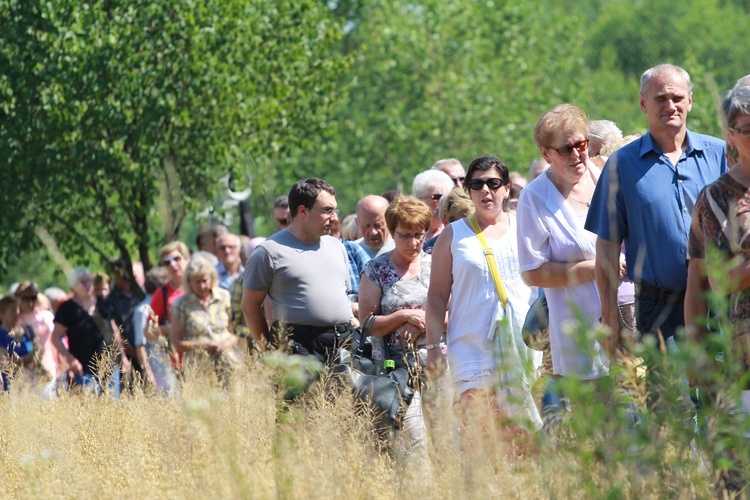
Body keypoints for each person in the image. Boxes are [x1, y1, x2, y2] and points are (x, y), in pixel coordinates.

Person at [585, 64, 728, 352]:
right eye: (660, 98)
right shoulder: (622, 165)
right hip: (661, 306)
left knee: (723, 393)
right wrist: (610, 316)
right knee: (669, 395)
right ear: (643, 103)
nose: (671, 106)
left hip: (719, 302)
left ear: (690, 101)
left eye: (677, 98)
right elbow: (607, 246)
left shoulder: (720, 154)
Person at [426, 155, 542, 436]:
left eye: (493, 183)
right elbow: (437, 296)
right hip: (471, 345)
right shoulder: (453, 236)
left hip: (524, 343)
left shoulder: (526, 226)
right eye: (477, 184)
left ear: (506, 189)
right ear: (468, 190)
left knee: (524, 434)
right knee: (481, 433)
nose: (485, 191)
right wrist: (432, 348)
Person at [516, 104, 610, 396]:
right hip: (581, 333)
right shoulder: (534, 198)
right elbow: (533, 273)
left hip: (631, 322)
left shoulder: (606, 176)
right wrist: (594, 269)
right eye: (566, 149)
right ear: (546, 154)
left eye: (581, 144)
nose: (577, 154)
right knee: (601, 433)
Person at [685, 82, 750, 416]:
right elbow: (714, 281)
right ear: (730, 135)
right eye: (748, 129)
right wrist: (696, 347)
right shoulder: (717, 198)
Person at [242, 178, 355, 364]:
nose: (335, 218)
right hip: (298, 347)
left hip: (342, 344)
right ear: (303, 211)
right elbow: (249, 306)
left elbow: (343, 295)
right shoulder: (268, 252)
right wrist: (270, 352)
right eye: (327, 210)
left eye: (335, 210)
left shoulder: (337, 246)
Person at [359, 196, 433, 451]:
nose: (413, 243)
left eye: (419, 235)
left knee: (447, 438)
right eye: (405, 235)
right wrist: (403, 317)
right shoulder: (376, 269)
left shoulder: (437, 265)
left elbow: (454, 313)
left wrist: (421, 322)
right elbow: (367, 323)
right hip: (395, 372)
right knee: (415, 446)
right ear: (392, 232)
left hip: (438, 364)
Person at [170, 257, 241, 385]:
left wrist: (225, 344)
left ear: (212, 278)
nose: (202, 286)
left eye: (205, 281)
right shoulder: (181, 304)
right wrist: (204, 346)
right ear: (189, 282)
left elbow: (237, 330)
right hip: (199, 366)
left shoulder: (224, 297)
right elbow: (176, 342)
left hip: (227, 361)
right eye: (197, 282)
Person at [51, 268, 123, 393]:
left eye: (89, 281)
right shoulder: (67, 308)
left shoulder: (103, 303)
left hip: (110, 366)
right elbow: (55, 338)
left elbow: (114, 330)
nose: (87, 285)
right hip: (84, 369)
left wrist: (123, 357)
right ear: (73, 286)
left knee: (112, 407)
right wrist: (70, 360)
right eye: (82, 282)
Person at [133, 266, 177, 393]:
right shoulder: (143, 310)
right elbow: (140, 344)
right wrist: (147, 371)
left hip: (171, 360)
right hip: (156, 363)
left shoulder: (168, 305)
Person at [149, 241, 191, 369]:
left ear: (187, 259)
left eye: (177, 259)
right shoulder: (162, 293)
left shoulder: (201, 284)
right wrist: (171, 329)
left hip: (206, 355)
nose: (173, 264)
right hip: (178, 361)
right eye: (167, 262)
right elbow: (148, 330)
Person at [14, 281, 58, 379]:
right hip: (22, 373)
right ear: (18, 298)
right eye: (26, 298)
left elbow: (56, 343)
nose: (30, 302)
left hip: (46, 369)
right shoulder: (13, 320)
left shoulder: (46, 317)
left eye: (33, 298)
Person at [422, 187, 475, 254]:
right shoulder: (432, 249)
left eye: (475, 223)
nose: (471, 231)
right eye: (463, 226)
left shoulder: (488, 240)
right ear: (446, 222)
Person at [0, 296, 36, 390]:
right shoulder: (1, 335)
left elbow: (36, 356)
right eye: (12, 310)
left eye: (17, 310)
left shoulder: (25, 331)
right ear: (2, 313)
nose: (16, 313)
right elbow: (5, 363)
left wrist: (20, 360)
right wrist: (25, 359)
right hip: (9, 386)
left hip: (30, 386)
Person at [412, 169, 455, 242]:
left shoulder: (453, 232)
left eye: (447, 197)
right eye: (438, 197)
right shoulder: (408, 233)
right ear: (420, 200)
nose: (443, 202)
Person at [354, 195, 395, 259]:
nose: (373, 232)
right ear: (357, 223)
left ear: (389, 221)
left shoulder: (401, 250)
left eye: (377, 225)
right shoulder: (351, 253)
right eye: (367, 226)